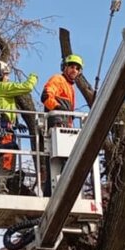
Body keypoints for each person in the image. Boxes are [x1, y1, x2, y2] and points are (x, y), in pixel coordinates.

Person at [0, 59, 38, 195]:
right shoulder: (1, 87)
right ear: (0, 75)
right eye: (6, 75)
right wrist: (33, 76)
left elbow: (0, 111)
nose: (7, 78)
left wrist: (15, 122)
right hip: (3, 134)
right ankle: (0, 191)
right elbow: (27, 87)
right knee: (7, 162)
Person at [39, 54, 84, 194]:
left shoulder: (70, 87)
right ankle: (57, 193)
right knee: (60, 163)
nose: (74, 70)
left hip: (64, 127)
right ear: (64, 67)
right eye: (71, 66)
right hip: (57, 126)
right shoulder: (58, 79)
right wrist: (57, 109)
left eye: (77, 68)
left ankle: (54, 194)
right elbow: (46, 96)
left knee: (61, 164)